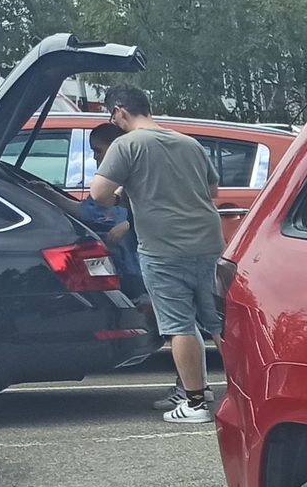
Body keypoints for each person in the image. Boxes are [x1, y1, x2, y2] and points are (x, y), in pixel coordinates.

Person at [89, 86, 224, 423]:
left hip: (164, 248)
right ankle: (245, 393)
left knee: (179, 325)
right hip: (208, 243)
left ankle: (195, 404)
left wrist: (125, 197)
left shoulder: (127, 144)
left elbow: (99, 193)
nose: (113, 121)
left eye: (112, 116)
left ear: (120, 111)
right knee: (217, 322)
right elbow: (212, 191)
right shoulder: (188, 143)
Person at [75, 121, 142, 294]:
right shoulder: (110, 183)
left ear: (115, 149)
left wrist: (129, 224)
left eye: (98, 150)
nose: (95, 158)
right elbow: (89, 210)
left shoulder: (137, 177)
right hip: (128, 267)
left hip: (142, 267)